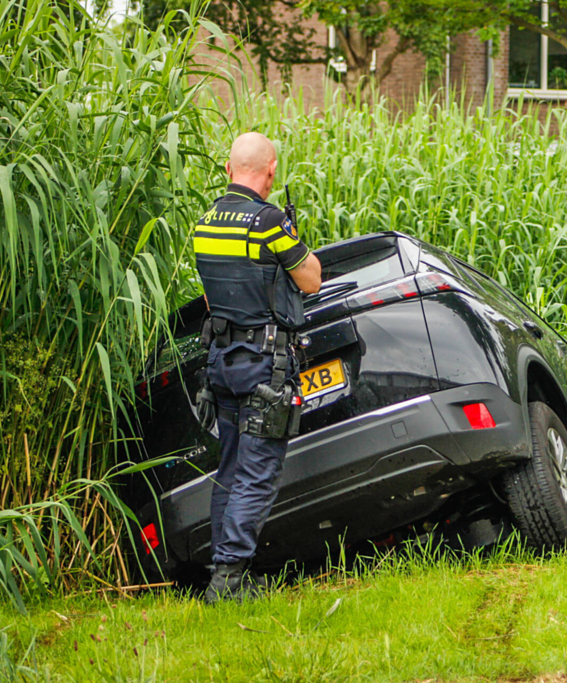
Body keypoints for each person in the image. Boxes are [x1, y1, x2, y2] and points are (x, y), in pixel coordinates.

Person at [193, 132, 321, 603]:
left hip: (221, 363)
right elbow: (311, 279)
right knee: (257, 471)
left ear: (229, 169)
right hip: (262, 366)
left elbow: (213, 298)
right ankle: (230, 580)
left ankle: (221, 572)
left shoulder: (206, 222)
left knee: (229, 469)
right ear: (270, 172)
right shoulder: (268, 221)